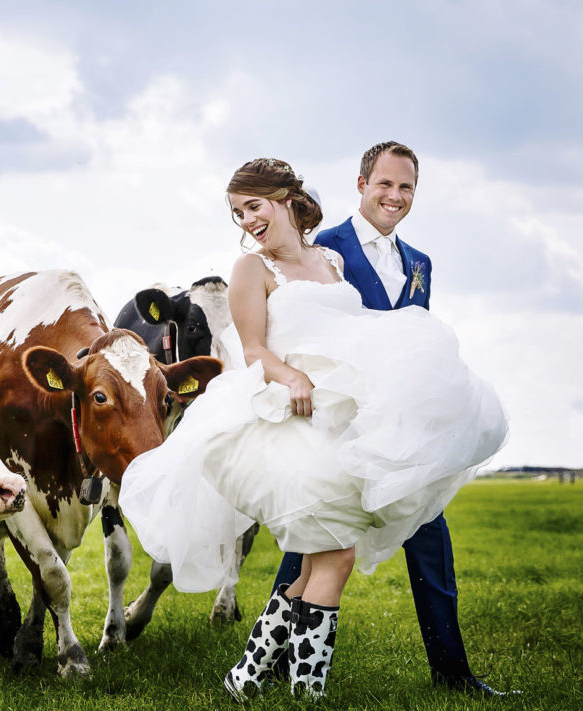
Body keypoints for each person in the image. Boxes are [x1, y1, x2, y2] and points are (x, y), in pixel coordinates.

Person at [118, 156, 507, 699]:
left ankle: (246, 678)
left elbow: (350, 332)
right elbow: (254, 350)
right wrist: (292, 376)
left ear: (284, 199)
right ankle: (308, 691)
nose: (248, 221)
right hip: (286, 420)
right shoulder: (250, 269)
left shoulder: (331, 260)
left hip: (334, 420)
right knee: (336, 555)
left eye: (254, 206)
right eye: (239, 213)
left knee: (317, 562)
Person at [269, 141, 516, 697]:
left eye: (406, 187)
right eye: (384, 183)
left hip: (405, 439)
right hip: (342, 430)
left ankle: (453, 674)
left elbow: (419, 347)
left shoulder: (420, 264)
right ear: (361, 184)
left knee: (432, 545)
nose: (395, 196)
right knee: (311, 548)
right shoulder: (322, 249)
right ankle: (277, 662)